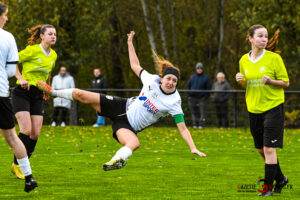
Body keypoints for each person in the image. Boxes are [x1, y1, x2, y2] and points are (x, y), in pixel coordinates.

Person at [36, 30, 206, 171]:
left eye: (174, 81)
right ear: (162, 78)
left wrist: (193, 147)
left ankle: (114, 161)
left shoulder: (174, 101)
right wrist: (130, 43)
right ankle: (52, 92)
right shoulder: (152, 80)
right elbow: (135, 65)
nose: (171, 83)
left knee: (134, 143)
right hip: (120, 105)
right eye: (168, 79)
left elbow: (183, 129)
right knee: (82, 95)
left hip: (128, 126)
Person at [236, 25, 289, 196]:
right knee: (260, 149)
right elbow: (247, 84)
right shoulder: (244, 60)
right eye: (260, 36)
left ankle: (267, 188)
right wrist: (240, 81)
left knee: (269, 149)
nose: (264, 39)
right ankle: (280, 178)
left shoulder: (274, 59)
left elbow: (286, 82)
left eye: (266, 36)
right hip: (254, 108)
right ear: (250, 38)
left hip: (273, 107)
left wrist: (272, 82)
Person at [11, 24, 57, 179]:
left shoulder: (54, 55)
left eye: (55, 34)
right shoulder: (32, 50)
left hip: (37, 95)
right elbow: (12, 61)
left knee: (35, 134)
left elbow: (48, 73)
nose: (53, 36)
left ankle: (22, 164)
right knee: (26, 130)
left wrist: (46, 89)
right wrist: (20, 78)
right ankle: (17, 166)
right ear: (42, 36)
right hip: (22, 92)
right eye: (50, 34)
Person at [0, 2, 37, 192]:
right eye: (5, 15)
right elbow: (9, 69)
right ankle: (29, 178)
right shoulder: (7, 38)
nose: (7, 18)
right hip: (1, 94)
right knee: (13, 137)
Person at [187, 62, 211, 128]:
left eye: (201, 68)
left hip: (201, 98)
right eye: (198, 68)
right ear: (196, 69)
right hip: (192, 98)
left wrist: (205, 97)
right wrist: (189, 95)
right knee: (193, 112)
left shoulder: (206, 78)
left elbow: (208, 88)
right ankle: (195, 124)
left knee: (202, 113)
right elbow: (188, 86)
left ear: (202, 69)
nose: (199, 69)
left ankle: (201, 124)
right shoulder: (192, 77)